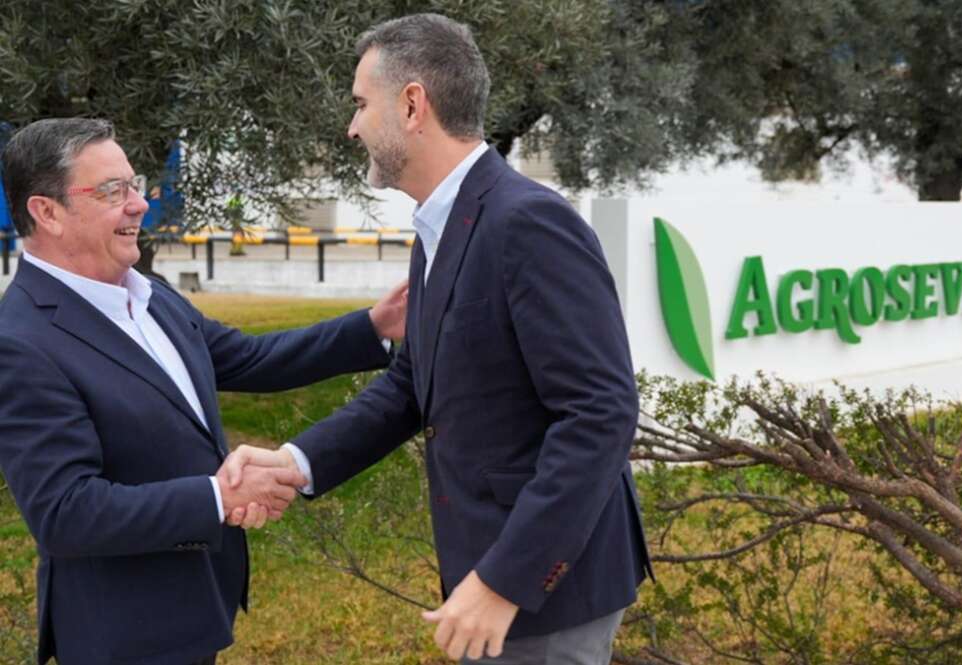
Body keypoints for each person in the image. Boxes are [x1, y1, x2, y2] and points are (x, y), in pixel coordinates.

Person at [224, 13, 653, 664]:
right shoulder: (443, 224)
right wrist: (297, 463)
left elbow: (601, 412)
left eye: (361, 105)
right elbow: (412, 384)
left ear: (413, 104)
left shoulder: (527, 222)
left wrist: (506, 578)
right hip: (491, 579)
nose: (353, 126)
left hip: (546, 594)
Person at [0, 117, 406, 665]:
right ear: (46, 212)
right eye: (111, 191)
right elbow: (67, 513)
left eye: (135, 184)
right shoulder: (22, 342)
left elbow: (251, 359)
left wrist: (374, 327)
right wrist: (219, 498)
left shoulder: (149, 295)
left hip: (192, 610)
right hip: (122, 635)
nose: (139, 205)